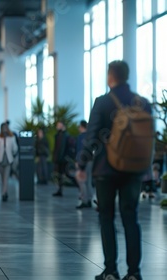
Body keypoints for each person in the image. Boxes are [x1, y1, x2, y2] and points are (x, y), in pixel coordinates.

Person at [77, 61, 152, 280]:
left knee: (107, 218)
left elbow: (92, 138)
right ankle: (134, 273)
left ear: (110, 77)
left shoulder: (102, 102)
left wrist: (82, 165)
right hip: (134, 170)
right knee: (131, 218)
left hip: (105, 171)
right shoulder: (143, 103)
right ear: (127, 76)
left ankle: (110, 270)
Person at [0, 123, 18, 202]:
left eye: (6, 128)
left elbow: (15, 148)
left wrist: (12, 153)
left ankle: (4, 193)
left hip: (8, 160)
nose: (4, 130)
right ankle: (5, 191)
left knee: (6, 178)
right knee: (2, 178)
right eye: (3, 128)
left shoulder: (11, 138)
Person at [75, 120, 93, 209]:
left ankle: (85, 200)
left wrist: (79, 163)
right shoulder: (90, 137)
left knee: (82, 181)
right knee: (88, 181)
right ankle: (89, 199)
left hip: (83, 161)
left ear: (81, 127)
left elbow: (80, 151)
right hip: (90, 161)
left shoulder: (81, 137)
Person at [52, 121, 71, 197]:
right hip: (59, 158)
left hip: (63, 158)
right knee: (59, 175)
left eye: (59, 125)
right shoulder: (57, 135)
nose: (57, 126)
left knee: (66, 174)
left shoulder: (66, 136)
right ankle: (59, 190)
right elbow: (57, 147)